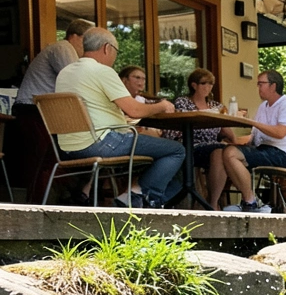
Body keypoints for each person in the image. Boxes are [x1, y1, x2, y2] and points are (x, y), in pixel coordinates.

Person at [52, 27, 183, 208]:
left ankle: (136, 195)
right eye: (116, 51)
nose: (115, 57)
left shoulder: (65, 73)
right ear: (107, 48)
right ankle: (137, 196)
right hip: (102, 142)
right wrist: (162, 105)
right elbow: (134, 111)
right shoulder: (102, 71)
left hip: (67, 146)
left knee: (156, 151)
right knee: (176, 150)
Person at [14, 18, 93, 203]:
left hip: (43, 111)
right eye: (87, 41)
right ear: (75, 36)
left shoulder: (63, 50)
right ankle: (36, 206)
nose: (88, 47)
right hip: (33, 110)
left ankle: (67, 198)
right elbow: (76, 81)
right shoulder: (63, 48)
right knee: (44, 161)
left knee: (52, 158)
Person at [206, 69, 286, 213]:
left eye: (260, 84)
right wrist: (237, 143)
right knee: (219, 152)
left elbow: (280, 133)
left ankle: (250, 201)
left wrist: (252, 122)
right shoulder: (263, 106)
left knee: (230, 153)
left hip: (283, 154)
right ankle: (212, 206)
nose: (258, 88)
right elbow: (255, 136)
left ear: (273, 86)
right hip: (264, 150)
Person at [163, 68, 235, 170]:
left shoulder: (216, 106)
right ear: (194, 85)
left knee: (231, 151)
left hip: (213, 144)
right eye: (204, 83)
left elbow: (225, 127)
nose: (208, 87)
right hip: (190, 145)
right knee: (220, 152)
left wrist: (235, 142)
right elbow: (180, 124)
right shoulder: (183, 102)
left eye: (210, 84)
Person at [117, 66, 162, 136]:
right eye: (137, 78)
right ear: (124, 80)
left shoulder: (143, 99)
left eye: (144, 79)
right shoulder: (118, 99)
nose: (141, 83)